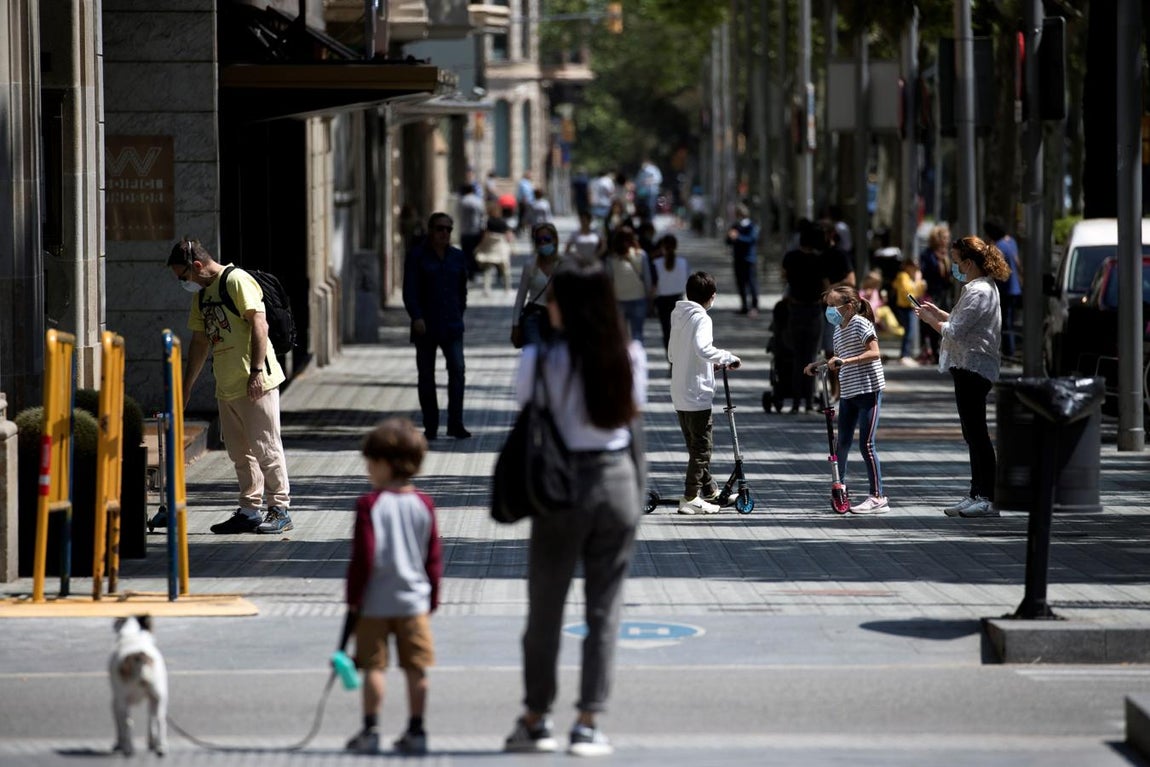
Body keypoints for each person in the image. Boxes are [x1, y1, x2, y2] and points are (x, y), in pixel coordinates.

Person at [502, 259, 647, 758]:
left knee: (545, 607)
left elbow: (530, 414)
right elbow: (636, 431)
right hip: (617, 484)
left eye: (556, 299)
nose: (550, 307)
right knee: (604, 611)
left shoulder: (541, 360)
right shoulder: (629, 355)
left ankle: (536, 717)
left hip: (561, 488)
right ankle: (588, 722)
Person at [167, 238, 293, 535]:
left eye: (183, 277)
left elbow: (259, 325)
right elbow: (199, 342)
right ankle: (250, 509)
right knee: (239, 452)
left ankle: (279, 508)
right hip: (227, 384)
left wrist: (256, 371)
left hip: (255, 381)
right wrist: (185, 388)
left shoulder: (236, 281)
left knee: (266, 446)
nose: (183, 283)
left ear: (196, 266)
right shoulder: (202, 296)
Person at [344, 417, 442, 756]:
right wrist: (432, 598)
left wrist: (353, 600)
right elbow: (433, 558)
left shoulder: (370, 505)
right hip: (414, 601)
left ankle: (371, 730)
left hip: (375, 602)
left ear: (387, 464)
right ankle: (417, 730)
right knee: (417, 667)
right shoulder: (425, 504)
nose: (368, 469)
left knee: (374, 666)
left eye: (371, 462)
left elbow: (363, 558)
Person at [913, 235, 1012, 519]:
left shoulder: (979, 291)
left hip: (974, 367)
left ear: (969, 263)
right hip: (969, 366)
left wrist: (931, 321)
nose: (955, 267)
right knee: (972, 433)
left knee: (977, 434)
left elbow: (955, 331)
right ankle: (976, 492)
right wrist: (938, 312)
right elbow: (963, 322)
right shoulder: (979, 289)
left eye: (957, 262)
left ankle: (987, 496)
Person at [805, 287, 888, 514]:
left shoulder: (860, 323)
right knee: (841, 443)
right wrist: (818, 364)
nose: (829, 311)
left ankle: (878, 497)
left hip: (869, 390)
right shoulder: (838, 329)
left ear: (849, 306)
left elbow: (874, 352)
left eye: (833, 306)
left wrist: (846, 361)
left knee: (867, 445)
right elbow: (836, 358)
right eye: (828, 306)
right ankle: (839, 486)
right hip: (849, 393)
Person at [667, 271, 741, 515]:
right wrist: (728, 357)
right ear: (711, 296)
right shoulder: (702, 318)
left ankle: (709, 491)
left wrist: (706, 365)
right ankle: (689, 497)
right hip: (696, 393)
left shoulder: (678, 315)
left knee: (694, 445)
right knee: (701, 448)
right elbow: (702, 348)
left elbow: (672, 354)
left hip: (679, 389)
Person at [403, 212, 470, 440]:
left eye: (449, 230)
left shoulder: (457, 257)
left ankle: (455, 423)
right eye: (440, 229)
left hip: (452, 324)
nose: (444, 233)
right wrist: (416, 316)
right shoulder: (417, 256)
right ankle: (431, 425)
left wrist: (459, 313)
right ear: (431, 231)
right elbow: (409, 291)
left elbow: (462, 290)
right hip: (425, 325)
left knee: (458, 371)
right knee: (426, 376)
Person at [781, 220, 827, 413]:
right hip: (814, 310)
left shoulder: (790, 257)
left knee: (798, 356)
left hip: (796, 309)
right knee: (812, 356)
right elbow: (826, 284)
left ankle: (796, 401)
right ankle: (809, 400)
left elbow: (783, 277)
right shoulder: (821, 260)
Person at [511, 222, 562, 348]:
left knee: (554, 358)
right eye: (539, 240)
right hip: (534, 316)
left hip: (557, 317)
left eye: (547, 239)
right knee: (533, 355)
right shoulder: (530, 265)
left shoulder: (563, 265)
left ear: (555, 240)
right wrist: (515, 325)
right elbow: (520, 297)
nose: (543, 243)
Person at [605, 227, 651, 344]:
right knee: (637, 333)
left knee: (621, 335)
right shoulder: (641, 255)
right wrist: (649, 296)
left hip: (619, 300)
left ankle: (625, 360)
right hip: (638, 298)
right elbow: (647, 279)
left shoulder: (611, 259)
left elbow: (609, 281)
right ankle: (638, 359)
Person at [984, 217, 1022, 357]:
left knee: (1004, 322)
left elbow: (994, 270)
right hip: (1015, 288)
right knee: (1010, 321)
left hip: (1004, 289)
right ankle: (1009, 350)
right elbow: (1018, 263)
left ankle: (1008, 351)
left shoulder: (997, 247)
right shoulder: (1011, 242)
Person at [918, 223, 952, 364]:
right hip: (931, 293)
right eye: (943, 237)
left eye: (947, 238)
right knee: (931, 323)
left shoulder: (948, 255)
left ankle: (940, 350)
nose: (946, 240)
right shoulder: (928, 254)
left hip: (944, 293)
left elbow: (954, 274)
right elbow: (925, 273)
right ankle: (931, 350)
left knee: (946, 321)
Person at [652, 234, 689, 353]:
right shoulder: (683, 262)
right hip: (678, 300)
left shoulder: (656, 263)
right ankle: (678, 360)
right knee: (677, 333)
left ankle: (670, 359)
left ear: (662, 247)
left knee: (666, 332)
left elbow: (654, 284)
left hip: (662, 300)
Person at [891, 254, 926, 364]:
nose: (915, 269)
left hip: (910, 307)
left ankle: (906, 354)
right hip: (906, 307)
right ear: (907, 266)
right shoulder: (903, 276)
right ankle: (905, 355)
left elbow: (919, 292)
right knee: (909, 331)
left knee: (910, 331)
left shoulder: (911, 278)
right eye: (913, 266)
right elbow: (908, 293)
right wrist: (917, 282)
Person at [726, 204, 760, 317]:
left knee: (751, 283)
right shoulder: (735, 226)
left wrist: (738, 237)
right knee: (740, 283)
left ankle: (754, 306)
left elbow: (751, 239)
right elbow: (728, 241)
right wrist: (729, 236)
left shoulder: (751, 226)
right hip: (738, 259)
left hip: (749, 259)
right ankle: (744, 306)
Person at [475, 201, 514, 294]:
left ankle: (486, 289)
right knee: (505, 269)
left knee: (487, 270)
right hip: (501, 248)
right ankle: (507, 288)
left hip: (490, 248)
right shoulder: (503, 222)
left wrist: (481, 245)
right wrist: (511, 246)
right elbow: (508, 235)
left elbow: (485, 234)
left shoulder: (488, 222)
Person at [457, 183, 487, 282]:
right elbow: (483, 215)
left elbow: (458, 214)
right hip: (475, 230)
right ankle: (475, 271)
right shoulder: (478, 201)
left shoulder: (461, 201)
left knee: (466, 253)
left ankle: (469, 272)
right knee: (475, 252)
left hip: (464, 230)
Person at [515, 170, 535, 236]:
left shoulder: (527, 182)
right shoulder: (524, 183)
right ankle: (519, 231)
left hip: (528, 202)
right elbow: (525, 193)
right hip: (525, 203)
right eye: (530, 175)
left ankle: (521, 230)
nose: (531, 176)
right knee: (523, 217)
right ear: (526, 175)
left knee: (523, 217)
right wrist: (525, 201)